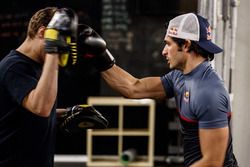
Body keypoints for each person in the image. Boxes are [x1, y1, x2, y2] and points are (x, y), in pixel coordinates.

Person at [78, 13, 238, 166]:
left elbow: (212, 163)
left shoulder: (208, 92)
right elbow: (134, 88)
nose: (163, 51)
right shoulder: (179, 77)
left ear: (187, 45)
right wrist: (99, 56)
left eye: (169, 44)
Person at [0, 7, 78, 167]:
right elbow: (40, 108)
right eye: (60, 39)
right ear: (43, 33)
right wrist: (53, 49)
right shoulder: (14, 66)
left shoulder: (35, 66)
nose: (63, 48)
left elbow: (23, 114)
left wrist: (69, 113)